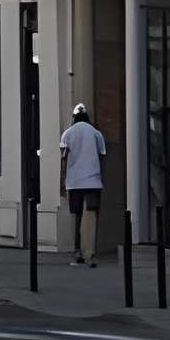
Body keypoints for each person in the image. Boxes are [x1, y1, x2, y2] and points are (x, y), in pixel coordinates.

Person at [58, 101, 105, 264]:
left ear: (74, 117)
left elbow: (63, 160)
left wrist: (62, 183)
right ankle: (90, 252)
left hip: (74, 181)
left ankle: (77, 250)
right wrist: (101, 178)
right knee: (91, 215)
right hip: (93, 181)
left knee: (76, 215)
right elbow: (102, 156)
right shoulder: (96, 133)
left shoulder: (68, 133)